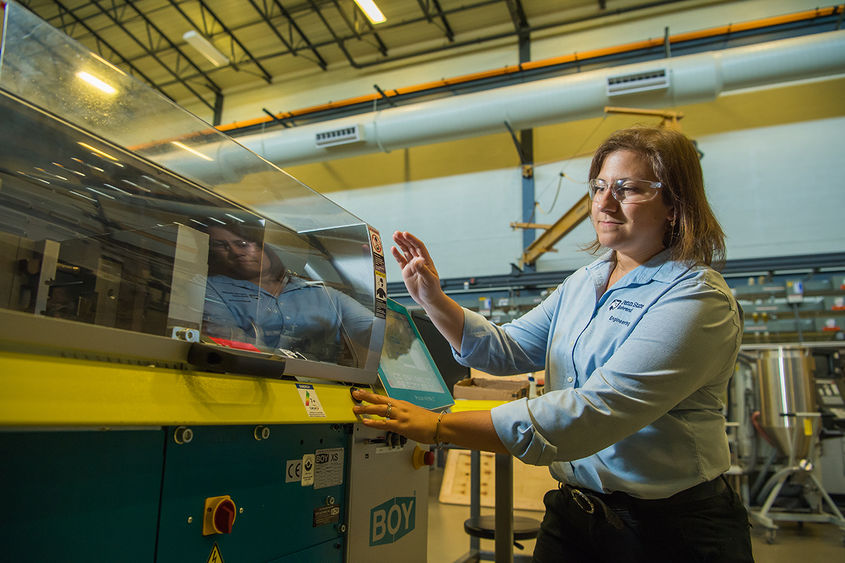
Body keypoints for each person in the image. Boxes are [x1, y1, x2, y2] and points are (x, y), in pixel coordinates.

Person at [352, 127, 754, 562]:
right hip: (576, 513)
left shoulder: (695, 299)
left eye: (628, 188)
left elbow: (594, 412)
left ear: (674, 204)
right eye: (599, 187)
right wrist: (433, 300)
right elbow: (506, 350)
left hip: (669, 530)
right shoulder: (585, 282)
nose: (605, 202)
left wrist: (438, 427)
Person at [202, 222, 373, 367]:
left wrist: (369, 277)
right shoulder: (210, 287)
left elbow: (375, 335)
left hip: (324, 385)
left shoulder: (323, 293)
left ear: (265, 246)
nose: (235, 252)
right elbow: (228, 344)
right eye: (221, 245)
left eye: (242, 244)